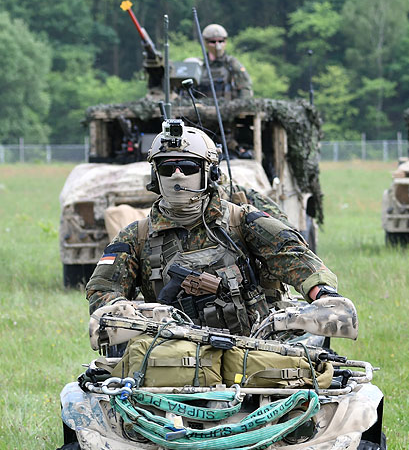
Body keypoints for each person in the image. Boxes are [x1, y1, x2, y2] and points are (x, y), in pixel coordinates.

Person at [86, 123, 338, 335]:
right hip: (167, 353)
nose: (177, 175)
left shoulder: (242, 220)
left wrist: (322, 294)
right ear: (156, 177)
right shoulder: (136, 235)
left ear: (209, 172)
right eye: (166, 168)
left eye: (188, 167)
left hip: (253, 345)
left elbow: (292, 254)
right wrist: (123, 310)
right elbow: (103, 289)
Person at [198, 24, 253, 100]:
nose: (217, 45)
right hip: (203, 109)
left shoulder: (232, 64)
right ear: (205, 42)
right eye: (213, 41)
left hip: (227, 108)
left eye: (221, 41)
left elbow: (245, 88)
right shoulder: (199, 65)